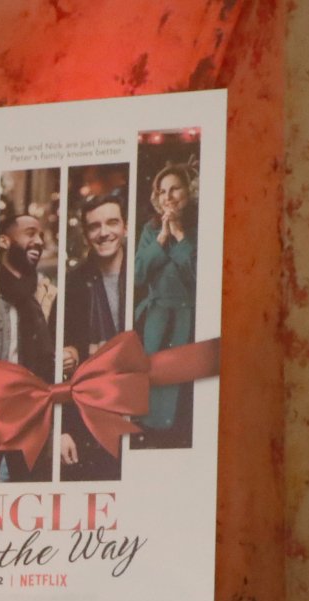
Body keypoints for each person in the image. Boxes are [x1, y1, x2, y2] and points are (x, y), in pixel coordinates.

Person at [60, 189, 129, 480]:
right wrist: (62, 429)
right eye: (94, 226)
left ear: (125, 227)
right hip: (89, 419)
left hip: (144, 412)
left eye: (112, 222)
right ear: (86, 235)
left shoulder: (146, 274)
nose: (104, 233)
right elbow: (54, 359)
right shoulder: (73, 284)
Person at [133, 162, 197, 447]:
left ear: (189, 192)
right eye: (162, 191)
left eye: (175, 189)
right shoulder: (150, 230)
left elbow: (200, 275)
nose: (168, 197)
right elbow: (137, 275)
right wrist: (161, 238)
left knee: (181, 394)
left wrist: (180, 235)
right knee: (153, 390)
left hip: (187, 319)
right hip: (155, 321)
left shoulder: (199, 227)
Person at [0, 209, 55, 483]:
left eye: (40, 235)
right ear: (4, 241)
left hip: (31, 411)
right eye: (30, 233)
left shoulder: (42, 292)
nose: (39, 241)